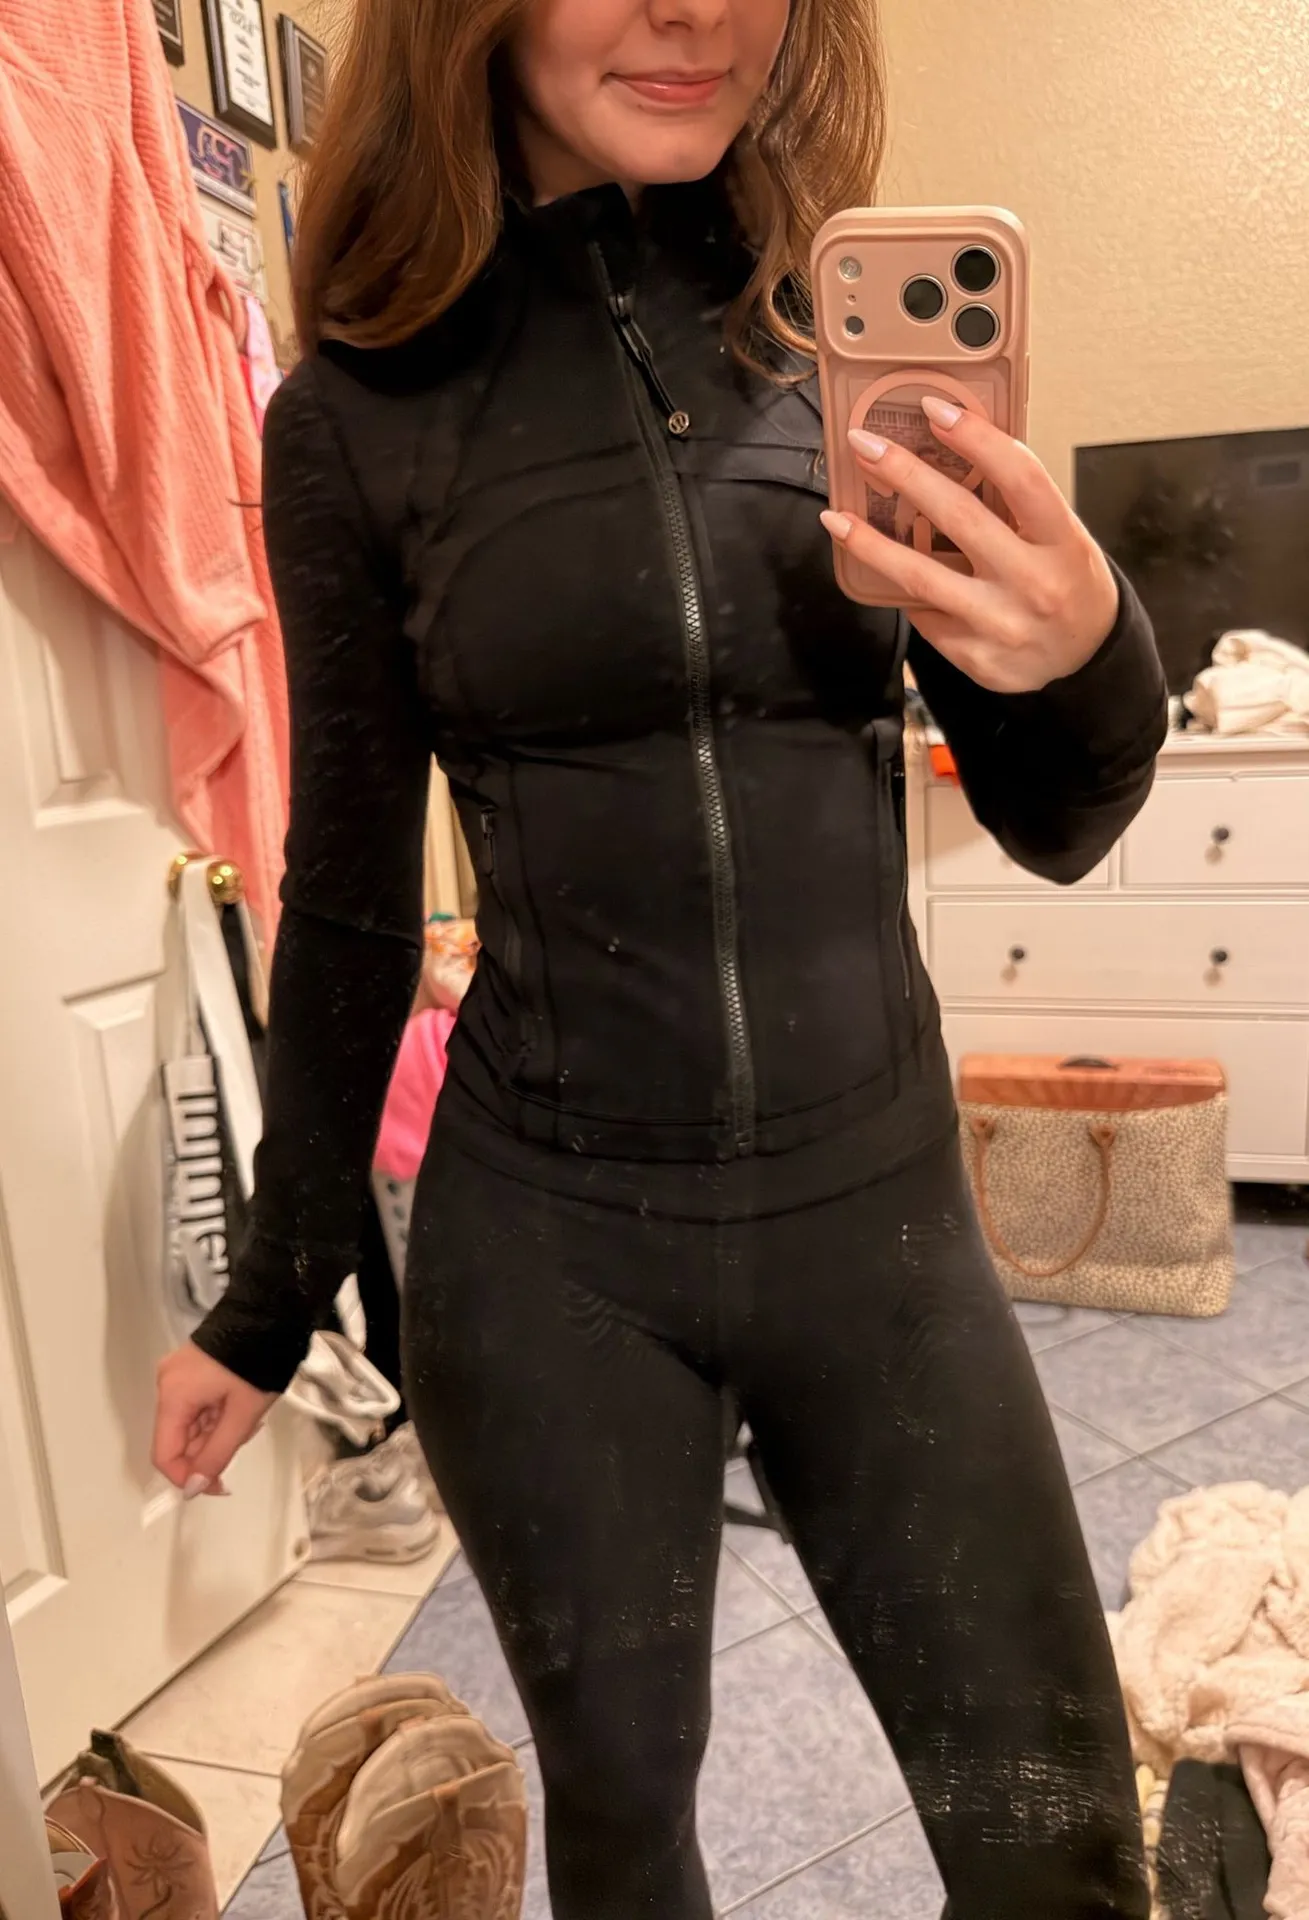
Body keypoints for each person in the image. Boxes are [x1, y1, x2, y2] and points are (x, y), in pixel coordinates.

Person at [153, 2, 1166, 1914]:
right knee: (624, 1841)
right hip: (551, 1250)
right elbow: (351, 893)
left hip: (875, 1215)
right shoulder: (353, 420)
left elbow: (1060, 818)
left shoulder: (837, 346)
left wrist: (1091, 642)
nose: (693, 7)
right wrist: (269, 1300)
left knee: (1063, 1848)